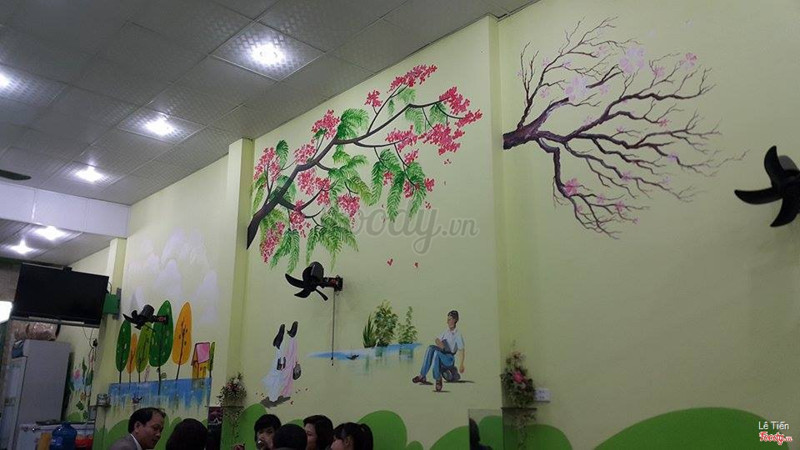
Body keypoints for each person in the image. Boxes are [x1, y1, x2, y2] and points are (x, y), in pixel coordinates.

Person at [411, 310, 466, 392]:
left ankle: (438, 379)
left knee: (437, 353)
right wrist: (440, 344)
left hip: (449, 358)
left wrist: (461, 364)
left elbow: (461, 350)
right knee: (430, 348)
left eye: (449, 319)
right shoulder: (446, 331)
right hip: (443, 352)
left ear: (455, 320)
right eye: (447, 319)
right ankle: (422, 375)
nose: (447, 322)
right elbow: (437, 339)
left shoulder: (457, 334)